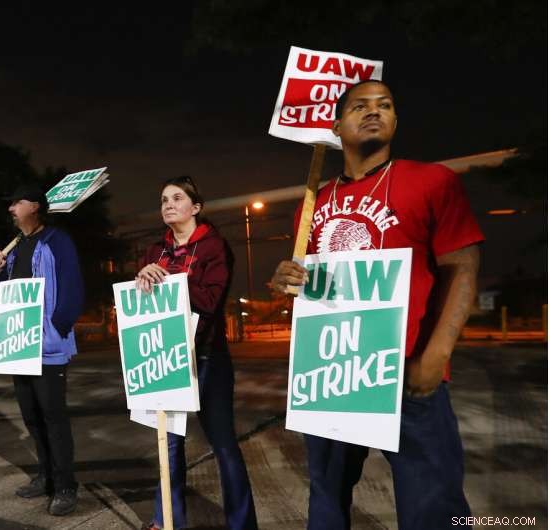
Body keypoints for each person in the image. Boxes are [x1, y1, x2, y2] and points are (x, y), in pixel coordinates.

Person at [271, 79, 483, 530]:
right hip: (333, 374)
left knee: (433, 506)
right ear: (336, 125)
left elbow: (462, 267)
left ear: (395, 119)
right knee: (326, 501)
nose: (373, 111)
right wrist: (285, 279)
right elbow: (306, 287)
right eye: (359, 106)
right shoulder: (313, 204)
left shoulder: (431, 181)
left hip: (407, 375)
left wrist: (436, 355)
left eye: (384, 105)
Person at [136, 176, 258, 530]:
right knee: (168, 444)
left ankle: (242, 523)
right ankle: (166, 521)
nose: (168, 204)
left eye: (176, 198)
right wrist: (141, 275)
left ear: (196, 207)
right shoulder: (153, 252)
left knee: (223, 445)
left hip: (207, 358)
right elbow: (142, 302)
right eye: (163, 200)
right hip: (166, 358)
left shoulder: (214, 247)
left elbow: (210, 301)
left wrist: (173, 278)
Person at [0, 184, 84, 517]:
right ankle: (45, 477)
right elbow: (8, 294)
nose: (11, 208)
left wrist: (57, 326)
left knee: (54, 418)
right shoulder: (15, 248)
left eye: (17, 202)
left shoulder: (57, 240)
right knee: (31, 418)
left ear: (36, 207)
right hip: (20, 345)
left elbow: (73, 287)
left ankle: (66, 486)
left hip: (48, 346)